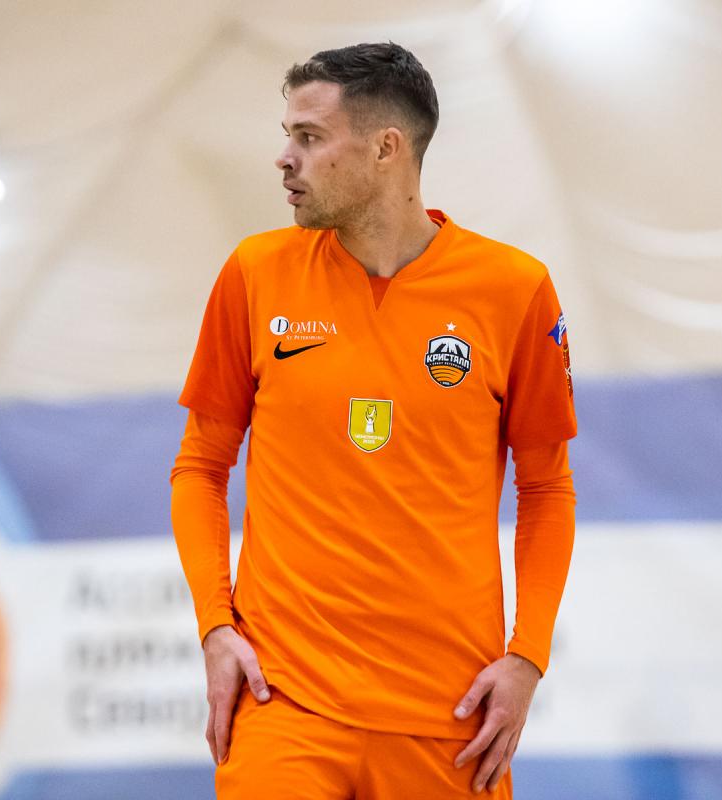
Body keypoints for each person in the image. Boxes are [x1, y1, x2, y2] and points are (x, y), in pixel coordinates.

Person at [170, 41, 576, 799]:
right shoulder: (255, 274)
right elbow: (199, 467)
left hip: (452, 717)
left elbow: (547, 488)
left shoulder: (514, 290)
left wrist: (527, 657)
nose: (284, 158)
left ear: (387, 148)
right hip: (282, 702)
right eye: (288, 134)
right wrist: (216, 627)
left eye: (309, 137)